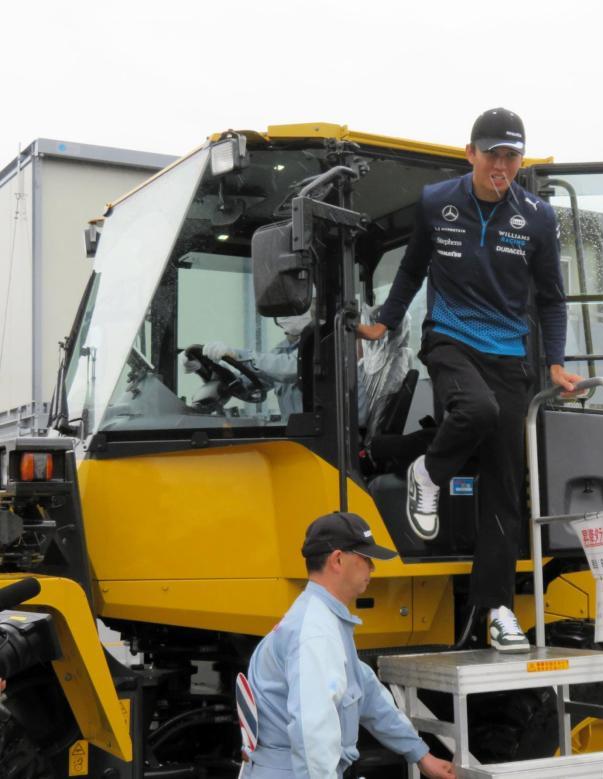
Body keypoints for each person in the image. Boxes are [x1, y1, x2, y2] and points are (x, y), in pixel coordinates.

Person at [357, 108, 580, 653]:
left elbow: (551, 298)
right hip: (450, 339)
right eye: (492, 154)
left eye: (511, 155)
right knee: (474, 410)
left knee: (506, 487)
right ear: (471, 154)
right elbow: (411, 270)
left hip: (510, 356)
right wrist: (385, 321)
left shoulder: (538, 217)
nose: (501, 164)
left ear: (519, 160)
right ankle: (426, 475)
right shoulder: (438, 202)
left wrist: (554, 361)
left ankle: (499, 609)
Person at [243, 512, 455, 779]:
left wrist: (421, 755)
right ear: (338, 559)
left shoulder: (324, 620)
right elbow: (313, 734)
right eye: (366, 559)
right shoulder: (316, 633)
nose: (372, 568)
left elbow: (366, 694)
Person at [188, 311, 313, 420]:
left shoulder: (322, 343)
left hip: (319, 435)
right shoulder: (282, 350)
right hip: (295, 435)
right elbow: (246, 383)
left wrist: (236, 354)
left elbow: (289, 367)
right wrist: (204, 368)